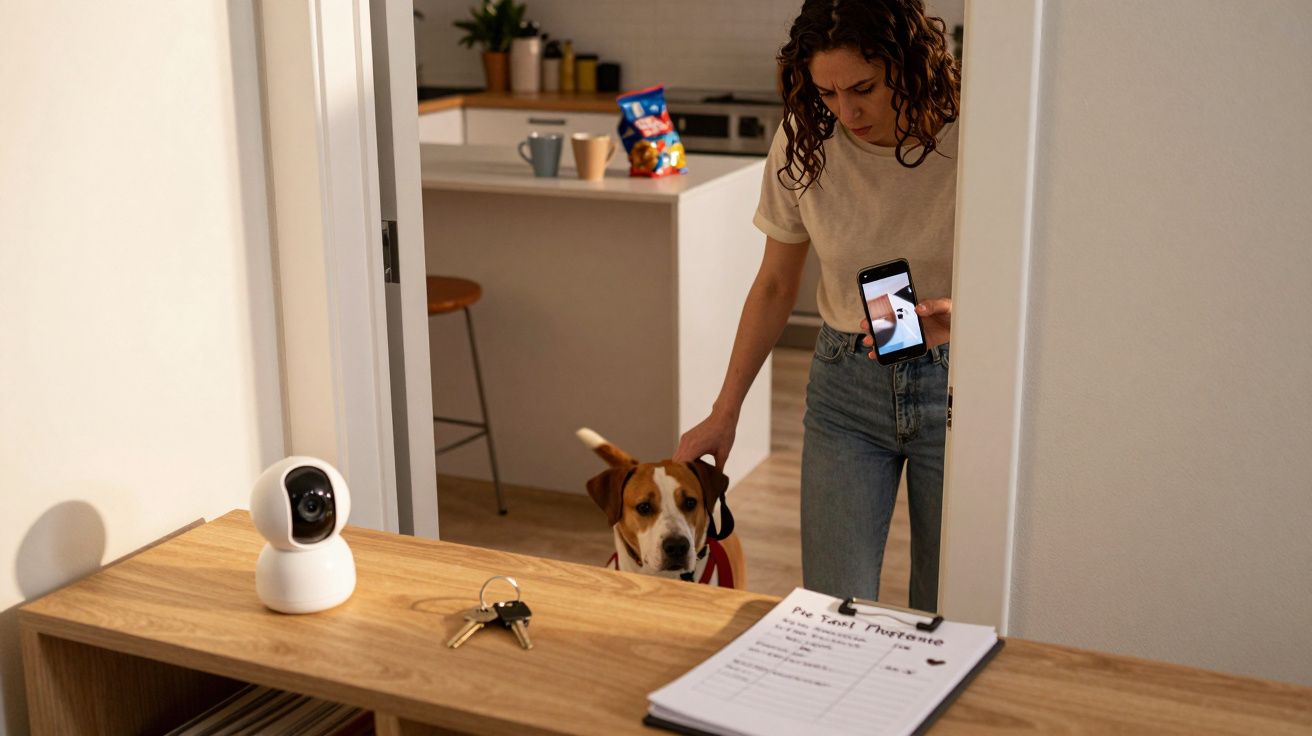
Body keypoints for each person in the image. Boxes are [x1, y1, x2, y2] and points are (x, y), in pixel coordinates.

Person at [673, 0, 959, 612]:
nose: (846, 111)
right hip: (846, 389)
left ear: (909, 64)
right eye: (826, 91)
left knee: (949, 611)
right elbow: (775, 285)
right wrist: (725, 412)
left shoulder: (977, 133)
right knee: (833, 610)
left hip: (959, 387)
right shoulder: (806, 140)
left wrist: (968, 311)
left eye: (863, 88)